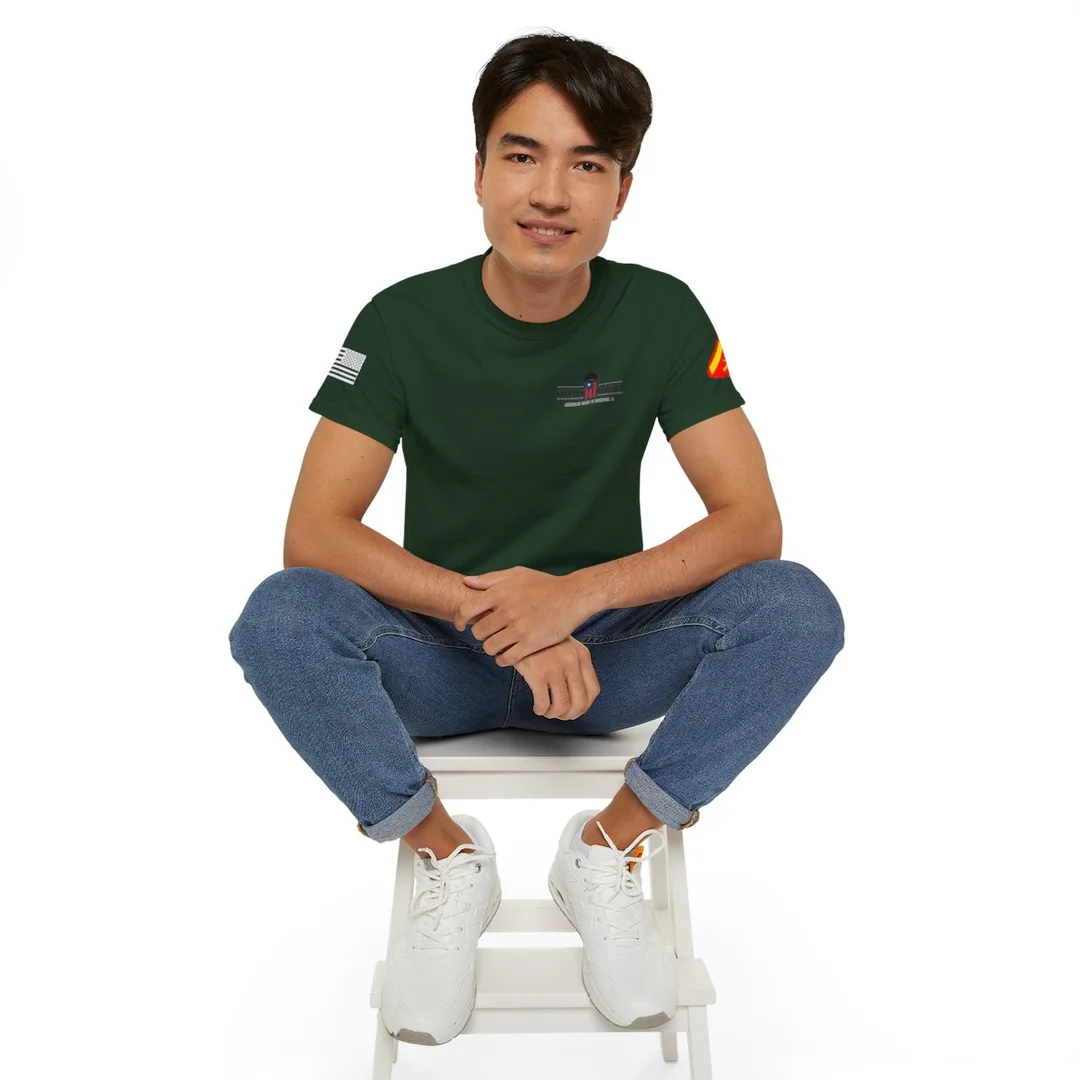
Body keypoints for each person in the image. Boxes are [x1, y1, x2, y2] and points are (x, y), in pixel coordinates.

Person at [228, 30, 845, 1047]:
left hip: (604, 664)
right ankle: (445, 853)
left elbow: (751, 522)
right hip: (441, 659)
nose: (551, 193)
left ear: (622, 192)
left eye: (587, 165)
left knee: (796, 606)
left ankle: (607, 847)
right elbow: (315, 531)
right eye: (522, 156)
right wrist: (499, 612)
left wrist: (575, 598)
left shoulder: (662, 312)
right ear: (478, 172)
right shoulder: (400, 318)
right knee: (280, 619)